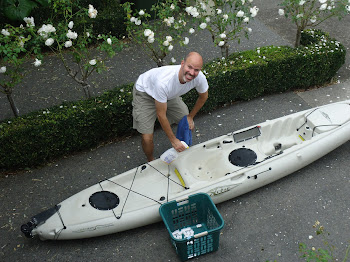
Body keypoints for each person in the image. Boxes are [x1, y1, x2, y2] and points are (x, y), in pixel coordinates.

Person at [132, 51, 209, 162]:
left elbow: (203, 97)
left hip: (167, 95)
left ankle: (182, 147)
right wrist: (173, 140)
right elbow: (161, 114)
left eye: (196, 70)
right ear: (182, 63)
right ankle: (151, 161)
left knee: (185, 121)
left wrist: (190, 117)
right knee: (147, 137)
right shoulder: (164, 82)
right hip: (145, 93)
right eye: (189, 67)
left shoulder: (200, 78)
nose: (192, 73)